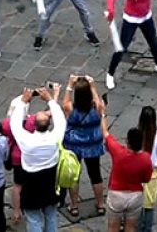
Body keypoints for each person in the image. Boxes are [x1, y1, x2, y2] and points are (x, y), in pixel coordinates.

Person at [10, 84, 66, 232]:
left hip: (31, 182)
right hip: (49, 180)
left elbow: (14, 123)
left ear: (34, 125)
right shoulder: (55, 138)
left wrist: (23, 101)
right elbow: (60, 119)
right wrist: (50, 99)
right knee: (51, 215)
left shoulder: (26, 141)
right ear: (49, 125)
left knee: (33, 218)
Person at [62, 75, 105, 217]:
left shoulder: (70, 108)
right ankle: (100, 204)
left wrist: (70, 85)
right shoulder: (97, 107)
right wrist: (92, 86)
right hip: (92, 145)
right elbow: (99, 102)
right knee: (95, 175)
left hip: (74, 145)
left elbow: (65, 102)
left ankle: (74, 206)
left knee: (74, 175)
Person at [137, 106, 157, 232]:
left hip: (138, 171)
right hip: (153, 172)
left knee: (137, 205)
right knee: (150, 205)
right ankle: (147, 229)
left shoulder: (137, 135)